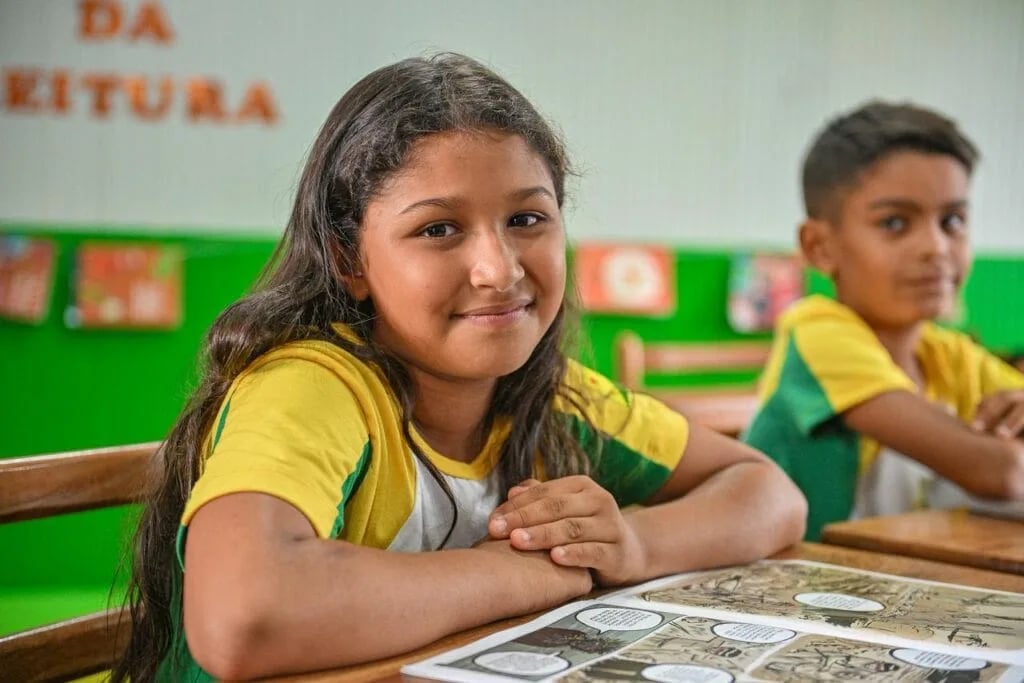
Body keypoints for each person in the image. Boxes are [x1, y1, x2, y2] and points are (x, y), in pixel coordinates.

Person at [114, 53, 806, 682]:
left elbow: (769, 493)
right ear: (349, 260)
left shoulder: (554, 394)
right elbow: (243, 618)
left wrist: (626, 544)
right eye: (438, 229)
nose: (498, 270)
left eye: (527, 219)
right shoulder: (314, 384)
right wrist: (526, 573)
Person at [744, 101, 1024, 541]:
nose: (936, 247)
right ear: (819, 247)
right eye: (894, 223)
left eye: (952, 221)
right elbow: (1002, 472)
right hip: (795, 575)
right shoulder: (817, 334)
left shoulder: (947, 355)